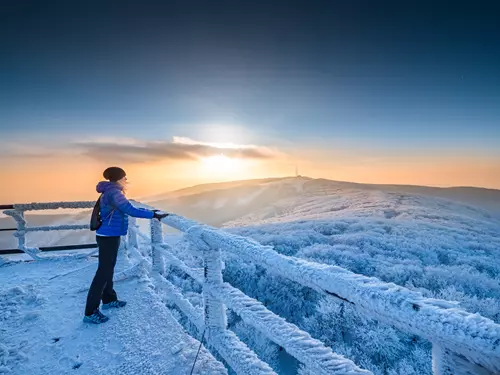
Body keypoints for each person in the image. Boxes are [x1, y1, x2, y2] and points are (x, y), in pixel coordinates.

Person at [84, 167, 168, 324]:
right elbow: (130, 210)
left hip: (109, 235)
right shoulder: (114, 192)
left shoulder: (110, 191)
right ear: (119, 178)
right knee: (103, 273)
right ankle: (90, 311)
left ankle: (108, 299)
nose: (126, 181)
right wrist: (153, 215)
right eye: (125, 178)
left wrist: (150, 211)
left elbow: (127, 208)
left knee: (108, 269)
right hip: (108, 236)